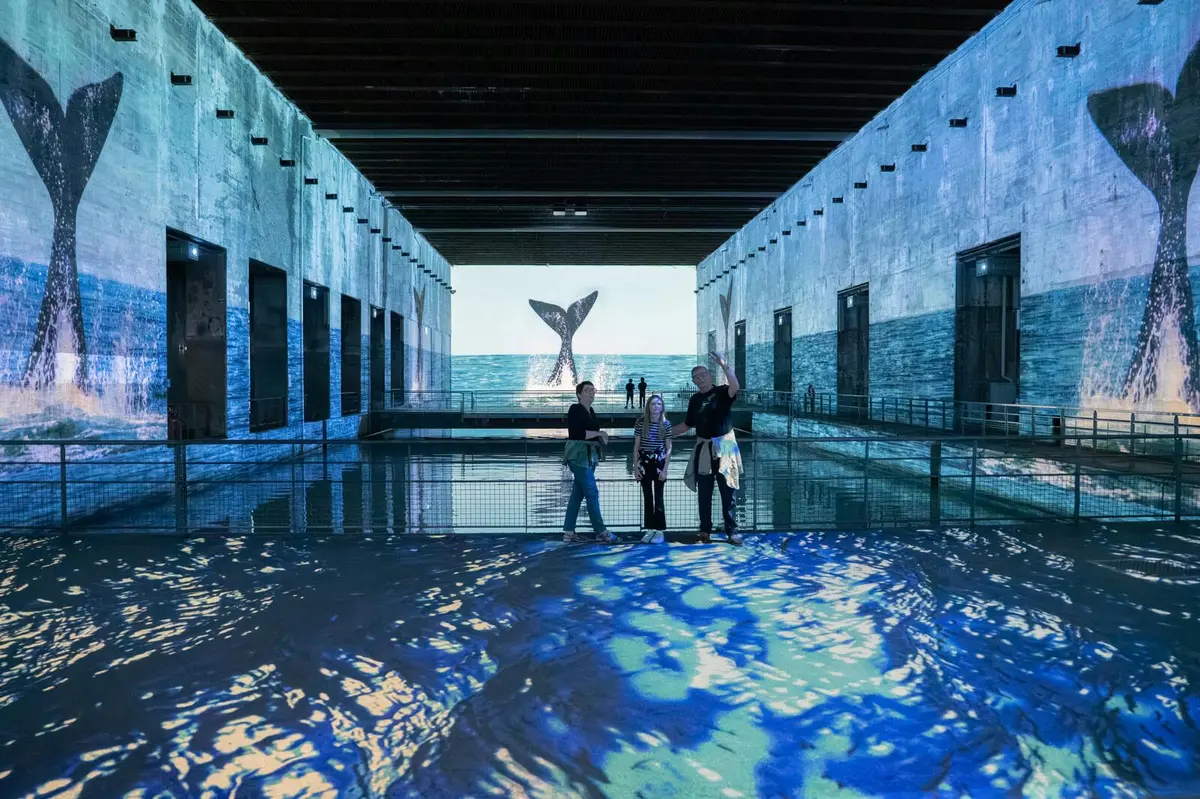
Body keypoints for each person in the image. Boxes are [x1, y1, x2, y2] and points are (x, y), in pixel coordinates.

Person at [671, 352, 743, 545]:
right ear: (693, 381)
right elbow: (686, 425)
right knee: (704, 491)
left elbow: (735, 386)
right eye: (696, 376)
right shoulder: (694, 400)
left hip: (725, 445)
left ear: (710, 376)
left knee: (728, 490)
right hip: (703, 447)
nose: (701, 378)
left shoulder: (722, 392)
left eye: (703, 374)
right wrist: (664, 433)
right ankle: (705, 530)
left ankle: (732, 530)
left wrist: (723, 365)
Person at [563, 380, 617, 543]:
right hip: (578, 456)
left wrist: (599, 435)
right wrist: (599, 434)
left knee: (577, 494)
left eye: (593, 390)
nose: (591, 393)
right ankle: (600, 531)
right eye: (587, 390)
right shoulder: (575, 409)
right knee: (592, 492)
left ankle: (569, 532)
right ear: (579, 394)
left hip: (590, 456)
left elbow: (593, 434)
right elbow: (576, 433)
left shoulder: (591, 411)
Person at [633, 394, 672, 543]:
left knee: (659, 496)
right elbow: (636, 446)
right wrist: (635, 467)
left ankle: (660, 530)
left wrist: (665, 469)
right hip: (644, 463)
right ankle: (649, 529)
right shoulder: (641, 423)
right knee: (647, 496)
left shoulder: (666, 424)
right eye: (653, 404)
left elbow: (669, 447)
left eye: (659, 404)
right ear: (648, 407)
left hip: (659, 463)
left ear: (662, 407)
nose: (656, 407)